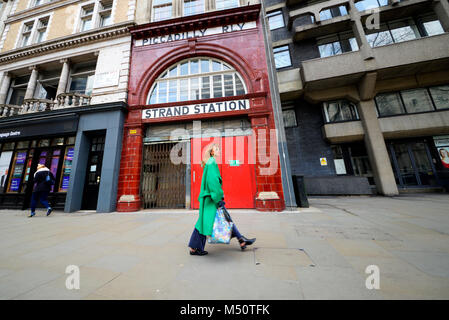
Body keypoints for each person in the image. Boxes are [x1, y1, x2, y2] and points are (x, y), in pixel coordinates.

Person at [188, 143, 256, 256]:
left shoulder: (209, 162)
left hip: (210, 198)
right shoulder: (212, 162)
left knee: (214, 220)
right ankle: (194, 248)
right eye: (217, 149)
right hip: (212, 199)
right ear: (212, 152)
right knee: (213, 220)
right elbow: (213, 182)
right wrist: (217, 198)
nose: (219, 151)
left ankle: (241, 240)